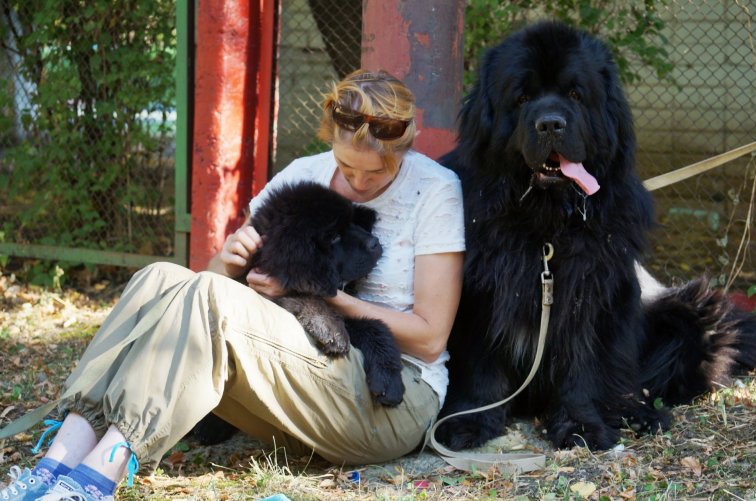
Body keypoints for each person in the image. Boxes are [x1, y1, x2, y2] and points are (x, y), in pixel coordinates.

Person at [0, 69, 465, 500]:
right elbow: (197, 299)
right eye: (347, 168)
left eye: (377, 171)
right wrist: (226, 261)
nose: (360, 182)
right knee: (158, 276)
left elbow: (430, 337)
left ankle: (98, 476)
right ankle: (55, 464)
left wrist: (326, 296)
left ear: (405, 145)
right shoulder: (303, 173)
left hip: (386, 397)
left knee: (205, 293)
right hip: (293, 386)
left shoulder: (435, 189)